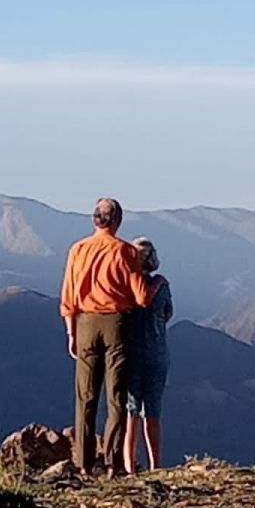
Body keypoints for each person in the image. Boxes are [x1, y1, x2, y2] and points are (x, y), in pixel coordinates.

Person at [59, 198, 160, 476]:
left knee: (85, 396)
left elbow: (68, 297)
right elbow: (141, 298)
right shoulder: (125, 251)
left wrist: (71, 332)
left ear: (95, 219)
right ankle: (113, 463)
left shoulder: (78, 250)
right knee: (116, 397)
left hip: (85, 324)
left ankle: (84, 464)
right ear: (117, 220)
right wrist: (157, 282)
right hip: (117, 325)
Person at [123, 238, 173, 473]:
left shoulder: (126, 287)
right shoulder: (161, 285)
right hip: (157, 352)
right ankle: (156, 464)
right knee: (153, 411)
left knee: (131, 411)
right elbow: (168, 313)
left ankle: (129, 465)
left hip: (131, 353)